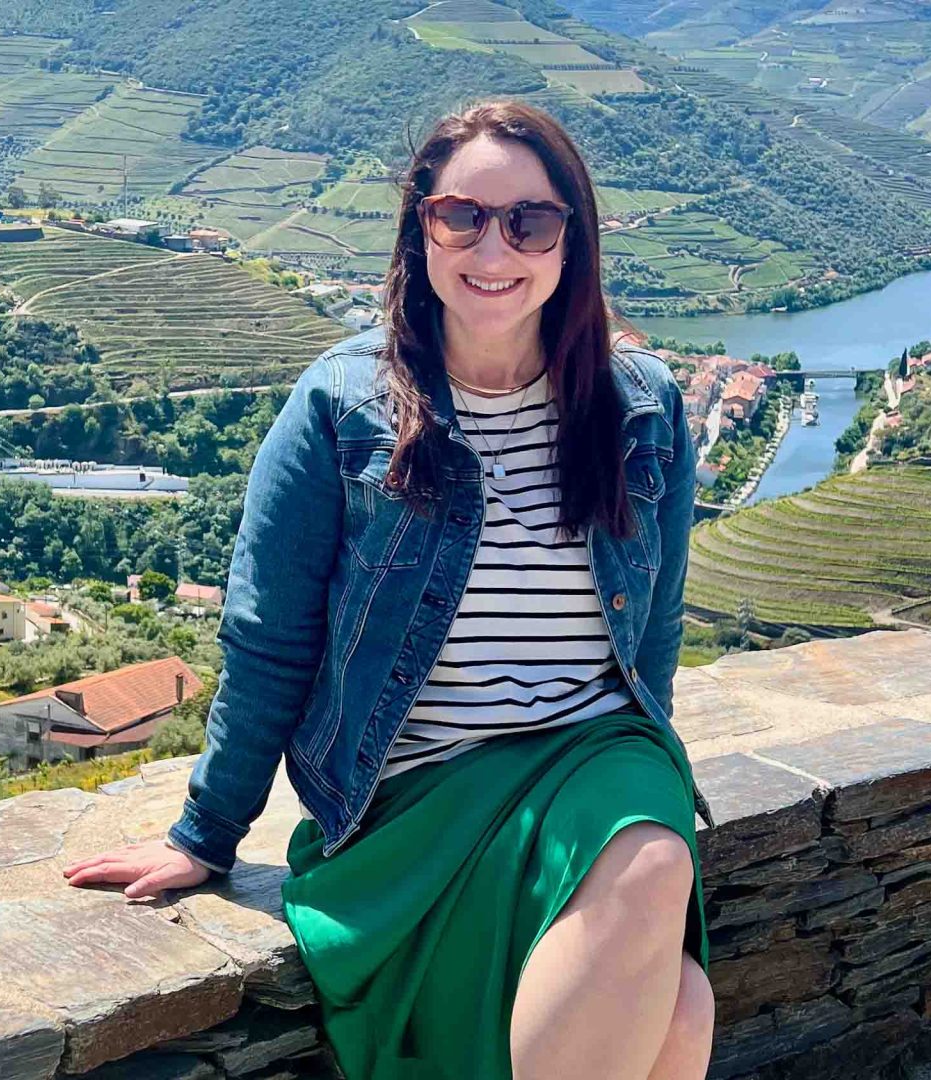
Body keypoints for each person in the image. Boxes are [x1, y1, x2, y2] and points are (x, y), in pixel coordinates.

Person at [63, 99, 714, 1080]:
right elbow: (268, 638)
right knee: (682, 1008)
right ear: (421, 227)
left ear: (571, 240)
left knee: (654, 859)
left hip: (596, 753)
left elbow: (652, 628)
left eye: (530, 221)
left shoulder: (643, 404)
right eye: (464, 216)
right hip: (413, 788)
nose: (496, 247)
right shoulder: (342, 403)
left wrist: (649, 761)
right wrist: (208, 832)